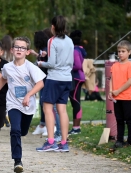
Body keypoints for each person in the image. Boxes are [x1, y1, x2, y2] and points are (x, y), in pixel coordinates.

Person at [0, 36, 45, 173]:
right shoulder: (7, 67)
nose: (19, 49)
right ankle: (17, 161)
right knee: (15, 130)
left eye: (23, 47)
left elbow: (40, 83)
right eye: (17, 47)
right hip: (13, 103)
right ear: (12, 50)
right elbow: (3, 79)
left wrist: (28, 95)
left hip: (28, 105)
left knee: (22, 131)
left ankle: (20, 135)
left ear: (27, 51)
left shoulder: (31, 67)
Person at [36, 15, 74, 152]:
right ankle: (64, 142)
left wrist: (40, 63)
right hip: (66, 78)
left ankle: (51, 141)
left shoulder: (52, 41)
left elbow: (51, 64)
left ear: (53, 27)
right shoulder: (70, 41)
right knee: (62, 110)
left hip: (54, 78)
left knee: (47, 109)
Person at [30, 30, 61, 141]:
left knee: (50, 104)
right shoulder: (43, 49)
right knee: (44, 103)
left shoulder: (47, 48)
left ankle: (53, 127)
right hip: (44, 79)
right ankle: (44, 125)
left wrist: (38, 63)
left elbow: (47, 62)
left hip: (48, 79)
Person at [108, 40, 131, 149]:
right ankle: (119, 140)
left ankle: (130, 141)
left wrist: (118, 91)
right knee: (119, 119)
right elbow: (111, 79)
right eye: (119, 51)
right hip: (117, 97)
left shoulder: (130, 66)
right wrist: (111, 91)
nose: (120, 53)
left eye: (123, 51)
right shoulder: (115, 65)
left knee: (128, 118)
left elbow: (130, 81)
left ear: (129, 52)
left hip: (127, 97)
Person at [68, 30, 87, 135]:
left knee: (75, 102)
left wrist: (68, 65)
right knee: (76, 101)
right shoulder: (80, 49)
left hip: (76, 78)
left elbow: (78, 66)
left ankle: (76, 128)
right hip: (78, 77)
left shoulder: (75, 50)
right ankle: (76, 127)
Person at [1, 35, 13, 127]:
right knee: (10, 98)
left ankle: (3, 115)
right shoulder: (13, 53)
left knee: (2, 97)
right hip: (12, 77)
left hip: (2, 77)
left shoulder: (1, 53)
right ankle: (9, 116)